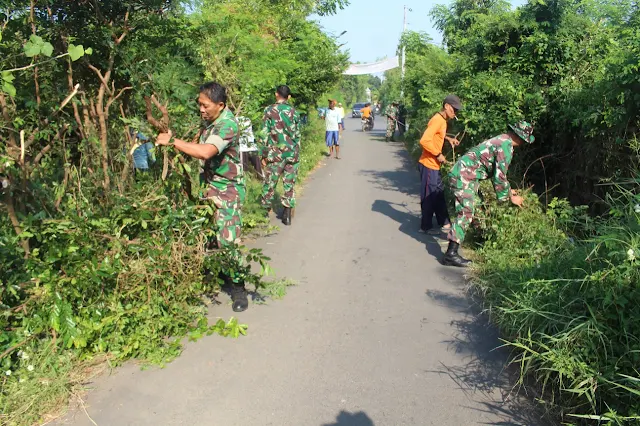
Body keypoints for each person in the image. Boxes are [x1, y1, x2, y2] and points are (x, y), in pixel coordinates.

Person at [155, 81, 249, 312]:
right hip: (208, 188)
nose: (201, 109)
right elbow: (198, 146)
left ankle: (238, 287)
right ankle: (211, 275)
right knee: (209, 236)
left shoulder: (227, 125)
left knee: (228, 240)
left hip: (228, 191)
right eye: (199, 104)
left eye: (205, 105)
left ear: (220, 105)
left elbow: (206, 151)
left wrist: (173, 142)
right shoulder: (211, 122)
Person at [443, 121, 535, 267]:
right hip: (464, 176)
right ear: (521, 138)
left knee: (478, 207)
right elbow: (500, 176)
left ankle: (482, 243)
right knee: (466, 212)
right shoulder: (506, 146)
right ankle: (451, 254)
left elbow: (497, 175)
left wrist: (508, 190)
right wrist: (511, 198)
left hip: (466, 175)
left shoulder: (502, 140)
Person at [418, 95, 462, 235]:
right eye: (454, 109)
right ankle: (425, 227)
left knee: (438, 193)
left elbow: (436, 135)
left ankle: (445, 222)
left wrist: (448, 139)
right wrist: (438, 154)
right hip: (429, 164)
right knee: (429, 196)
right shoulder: (437, 120)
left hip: (434, 166)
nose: (455, 113)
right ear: (447, 106)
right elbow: (425, 141)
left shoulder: (443, 120)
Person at [259, 85, 302, 226]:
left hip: (275, 153)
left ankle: (264, 213)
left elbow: (264, 134)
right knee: (289, 184)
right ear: (288, 97)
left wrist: (263, 154)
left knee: (270, 183)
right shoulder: (294, 112)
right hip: (292, 153)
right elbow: (297, 135)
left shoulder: (269, 110)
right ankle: (287, 214)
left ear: (276, 94)